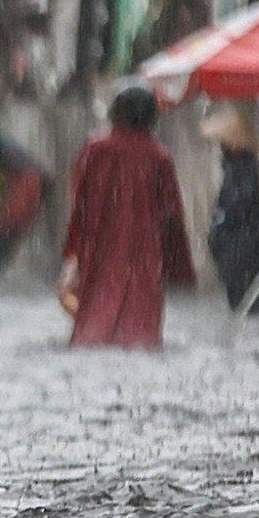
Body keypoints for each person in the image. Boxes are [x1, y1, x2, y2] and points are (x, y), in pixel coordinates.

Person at [60, 86, 195, 348]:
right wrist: (178, 267)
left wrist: (73, 251)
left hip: (100, 247)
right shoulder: (159, 157)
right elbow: (172, 215)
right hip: (145, 252)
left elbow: (79, 205)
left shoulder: (95, 151)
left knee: (95, 325)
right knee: (139, 330)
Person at [203, 110, 259, 309]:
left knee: (244, 297)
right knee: (241, 296)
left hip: (242, 242)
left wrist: (223, 223)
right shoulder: (236, 167)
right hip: (238, 241)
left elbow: (239, 202)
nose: (220, 146)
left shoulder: (244, 169)